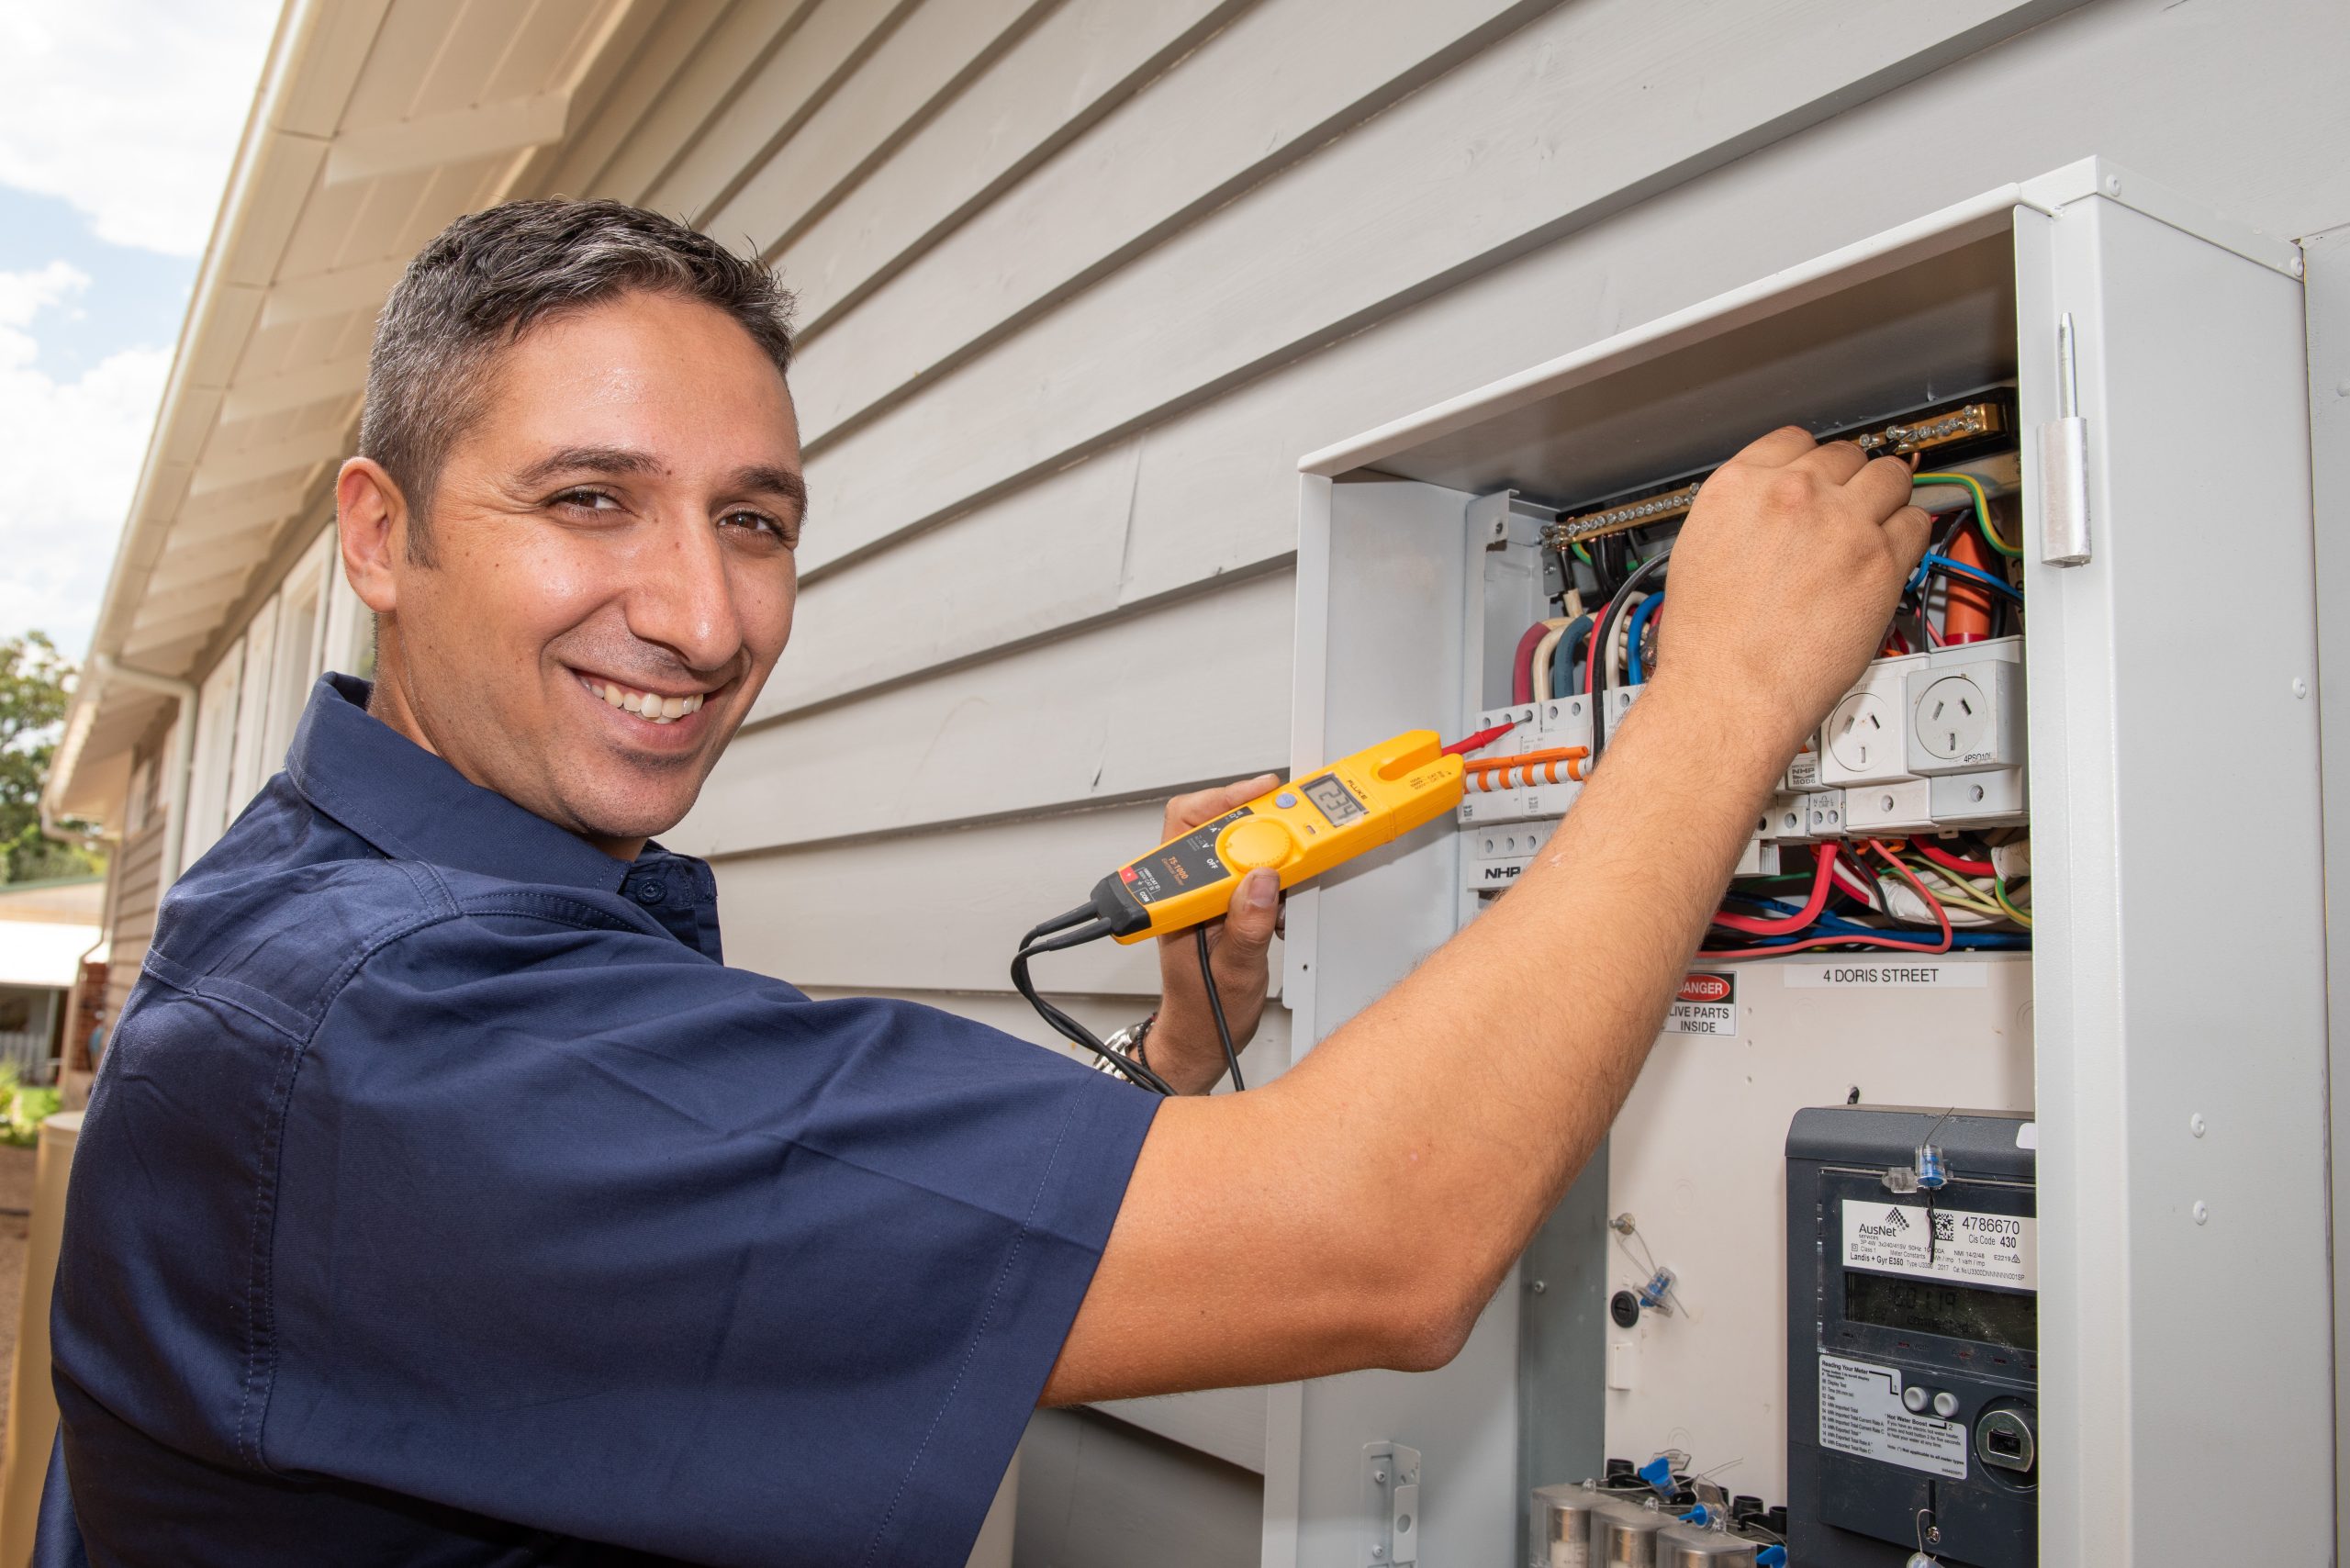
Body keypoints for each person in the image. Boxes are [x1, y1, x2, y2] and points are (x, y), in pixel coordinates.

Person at [38, 200, 1928, 1567]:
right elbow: (1380, 1241)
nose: (700, 616)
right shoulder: (405, 1025)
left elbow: (811, 1277)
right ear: (383, 532)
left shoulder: (338, 915)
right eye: (588, 498)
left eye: (753, 521)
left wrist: (1181, 1058)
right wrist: (1726, 696)